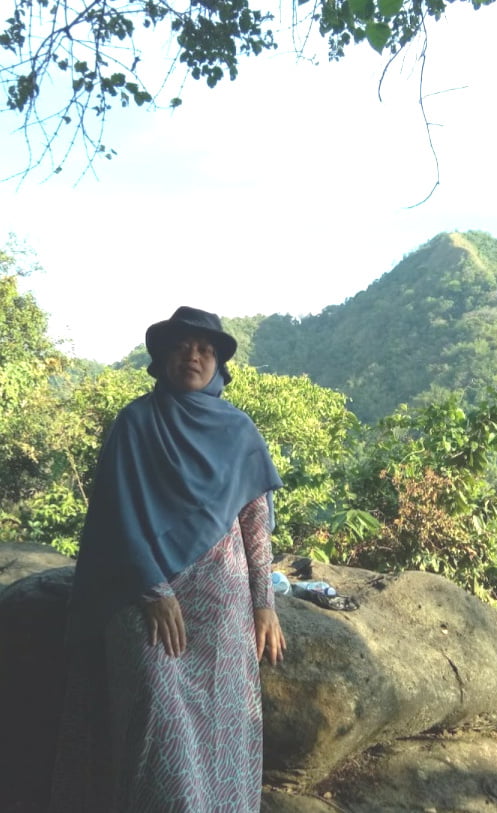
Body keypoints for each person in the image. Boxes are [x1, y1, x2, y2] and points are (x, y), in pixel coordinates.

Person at [50, 307, 286, 813]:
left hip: (221, 615)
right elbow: (115, 514)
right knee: (159, 740)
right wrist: (153, 589)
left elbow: (254, 522)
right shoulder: (136, 422)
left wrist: (264, 604)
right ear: (162, 357)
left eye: (205, 349)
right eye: (182, 346)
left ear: (218, 363)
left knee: (225, 735)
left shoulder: (239, 430)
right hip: (146, 603)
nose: (193, 356)